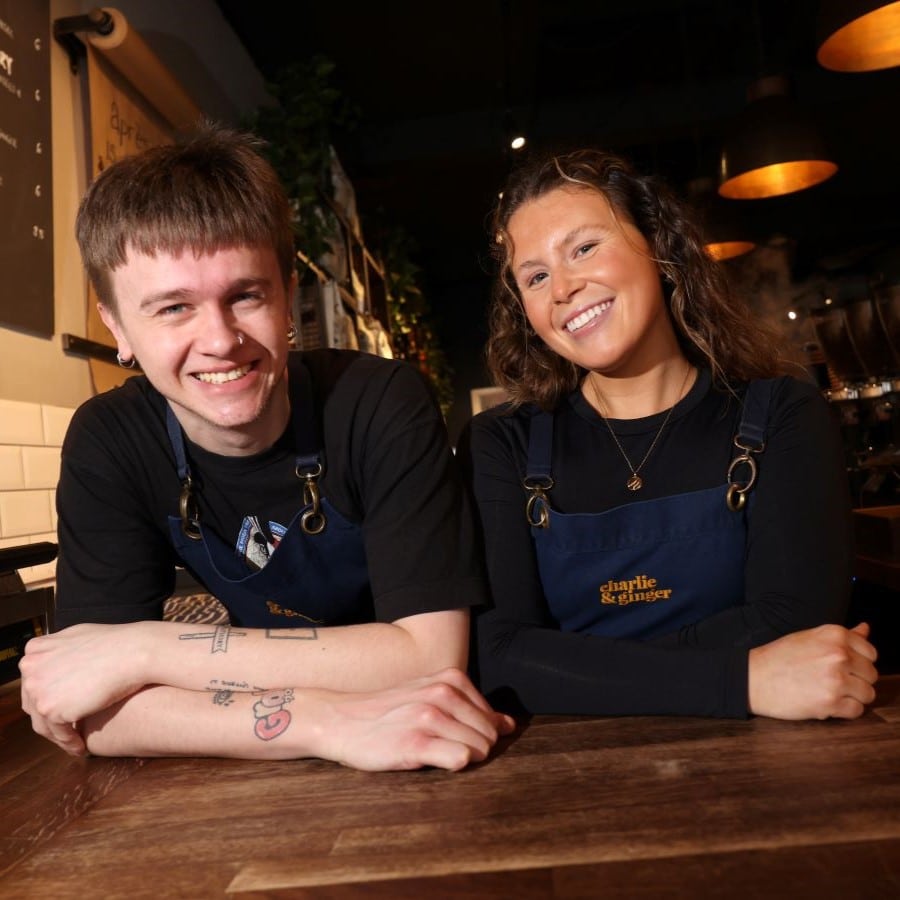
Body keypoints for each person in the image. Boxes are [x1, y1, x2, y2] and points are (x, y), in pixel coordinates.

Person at [19, 123, 513, 770]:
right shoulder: (109, 441)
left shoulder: (377, 401)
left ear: (287, 298)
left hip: (436, 743)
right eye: (173, 309)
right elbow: (93, 712)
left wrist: (142, 649)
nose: (221, 340)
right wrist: (318, 722)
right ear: (117, 327)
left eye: (246, 295)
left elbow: (428, 657)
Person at [460, 148, 879, 721]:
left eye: (584, 248)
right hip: (573, 779)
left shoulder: (782, 413)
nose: (562, 288)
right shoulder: (501, 444)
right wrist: (746, 679)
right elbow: (499, 659)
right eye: (535, 277)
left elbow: (798, 619)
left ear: (658, 247)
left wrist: (572, 671)